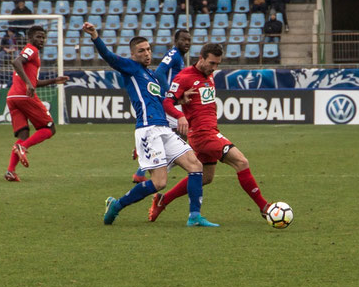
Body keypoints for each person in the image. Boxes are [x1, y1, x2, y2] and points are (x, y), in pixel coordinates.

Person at [82, 22, 218, 227]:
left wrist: (180, 101)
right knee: (159, 183)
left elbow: (161, 101)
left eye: (148, 49)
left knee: (195, 166)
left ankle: (194, 217)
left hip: (164, 128)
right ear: (133, 55)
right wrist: (95, 36)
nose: (147, 53)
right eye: (141, 51)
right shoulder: (131, 68)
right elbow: (110, 57)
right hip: (148, 129)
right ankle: (117, 205)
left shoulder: (151, 75)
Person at [149, 43, 272, 223]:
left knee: (205, 177)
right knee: (241, 161)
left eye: (217, 64)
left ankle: (163, 200)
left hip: (210, 131)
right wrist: (180, 116)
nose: (214, 68)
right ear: (201, 59)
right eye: (212, 63)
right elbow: (167, 102)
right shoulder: (184, 77)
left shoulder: (208, 74)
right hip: (202, 134)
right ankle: (264, 206)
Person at [4, 26, 69, 182]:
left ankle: (10, 171)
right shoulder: (30, 49)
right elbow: (16, 61)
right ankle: (23, 147)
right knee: (49, 128)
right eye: (38, 37)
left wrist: (54, 80)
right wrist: (28, 84)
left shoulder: (32, 53)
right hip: (24, 96)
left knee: (23, 135)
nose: (41, 40)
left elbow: (34, 81)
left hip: (13, 97)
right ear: (30, 38)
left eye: (43, 37)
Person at [131, 29, 192, 183]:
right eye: (183, 39)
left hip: (169, 102)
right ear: (175, 41)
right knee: (185, 131)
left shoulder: (179, 56)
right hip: (168, 102)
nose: (186, 43)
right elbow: (159, 72)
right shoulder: (174, 54)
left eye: (189, 40)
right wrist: (170, 94)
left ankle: (143, 157)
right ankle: (144, 164)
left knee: (181, 133)